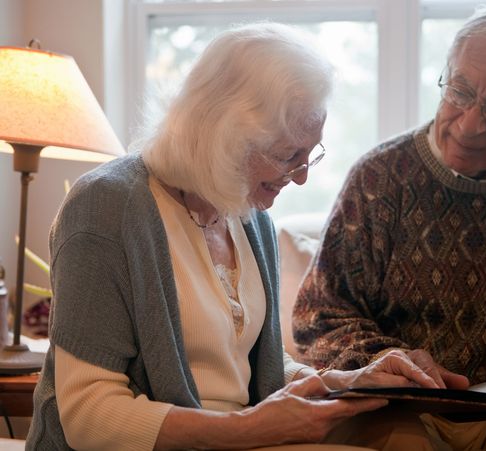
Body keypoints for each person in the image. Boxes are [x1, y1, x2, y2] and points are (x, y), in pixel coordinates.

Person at [25, 23, 440, 451]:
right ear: (225, 137)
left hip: (240, 437)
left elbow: (253, 368)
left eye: (310, 154)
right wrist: (251, 429)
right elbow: (88, 416)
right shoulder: (105, 208)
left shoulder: (247, 213)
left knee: (413, 435)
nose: (300, 178)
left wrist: (344, 381)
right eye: (287, 156)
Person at [293, 3, 486, 449]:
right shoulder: (380, 179)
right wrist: (386, 358)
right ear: (446, 72)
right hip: (408, 405)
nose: (470, 124)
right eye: (460, 91)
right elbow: (318, 318)